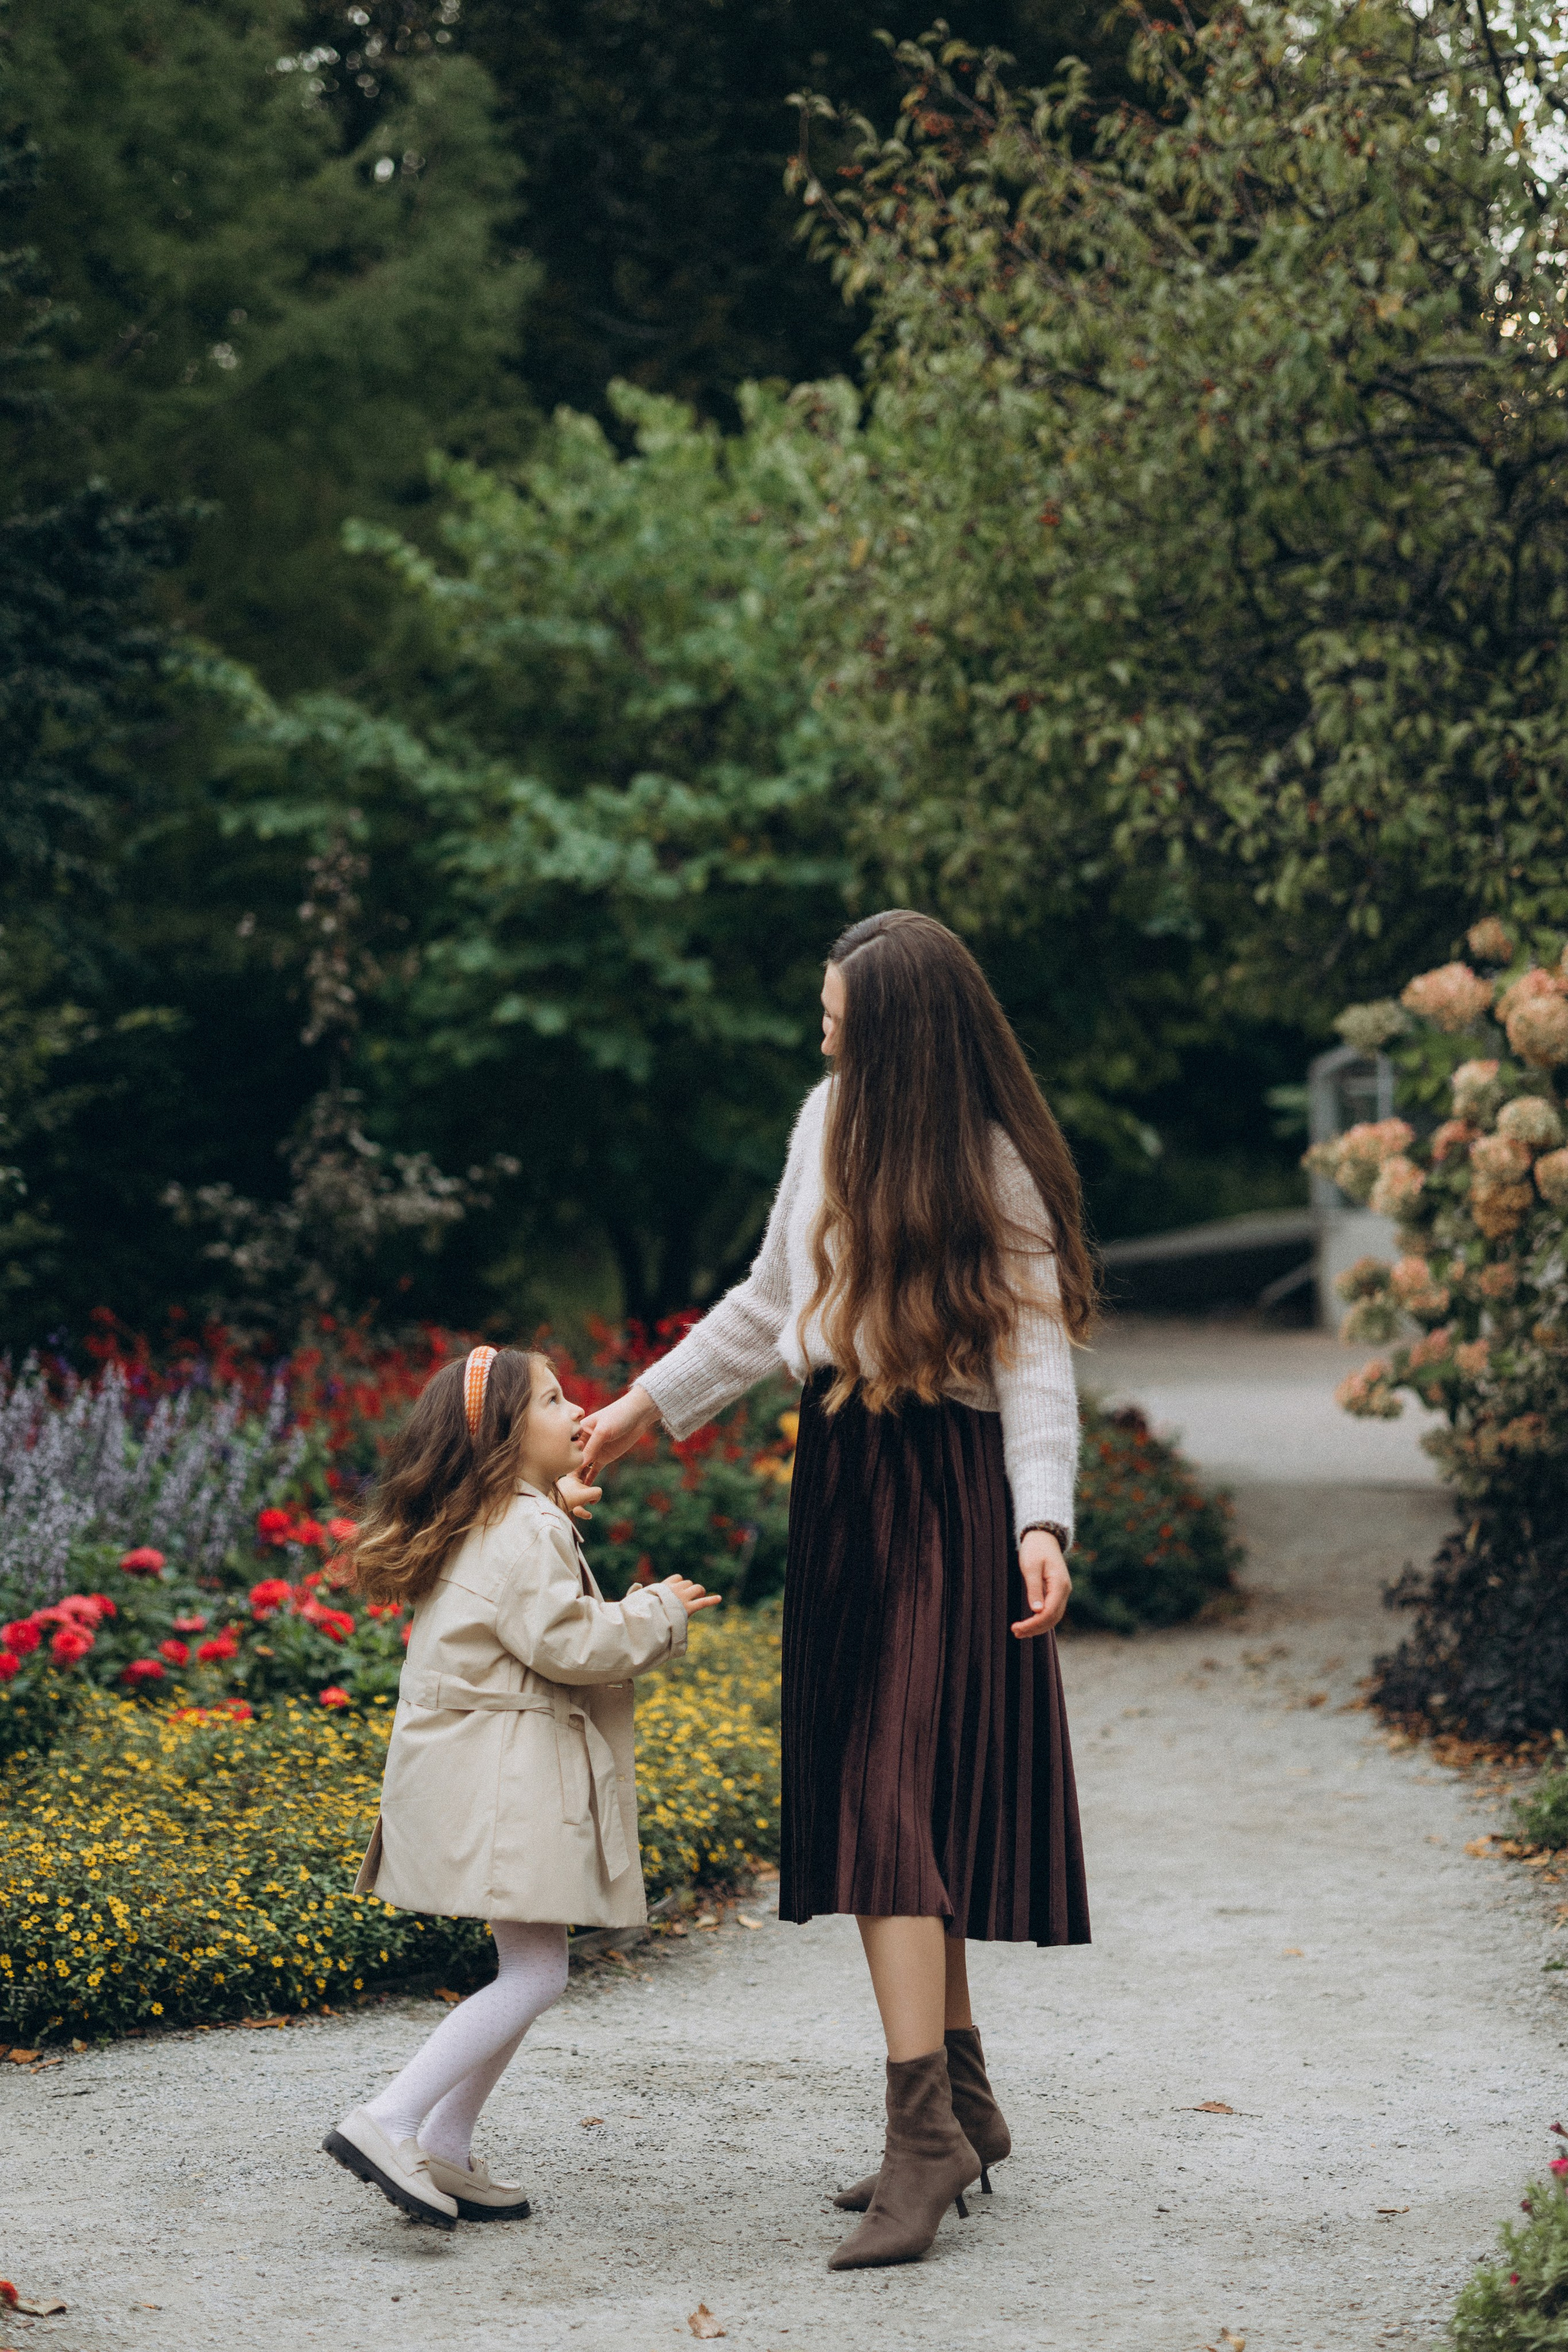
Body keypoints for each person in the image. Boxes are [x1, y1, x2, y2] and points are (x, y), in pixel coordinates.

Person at [581, 909, 1095, 2271]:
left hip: (949, 1493)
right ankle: (964, 2099)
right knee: (896, 1796)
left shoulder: (988, 1163)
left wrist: (1040, 1519)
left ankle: (919, 2131)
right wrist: (638, 1411)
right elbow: (764, 1306)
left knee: (889, 1802)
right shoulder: (824, 1121)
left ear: (902, 1031)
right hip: (845, 1486)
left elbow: (1034, 1356)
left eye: (840, 1015)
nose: (821, 1032)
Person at [324, 1345, 719, 2229]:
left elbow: (518, 1586)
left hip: (490, 1771)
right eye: (552, 1397)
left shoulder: (505, 1516)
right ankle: (389, 2120)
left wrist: (554, 1505)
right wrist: (659, 1610)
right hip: (510, 1779)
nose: (573, 1404)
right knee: (537, 1974)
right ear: (507, 1435)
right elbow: (571, 1645)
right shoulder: (525, 1528)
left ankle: (447, 2147)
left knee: (532, 1965)